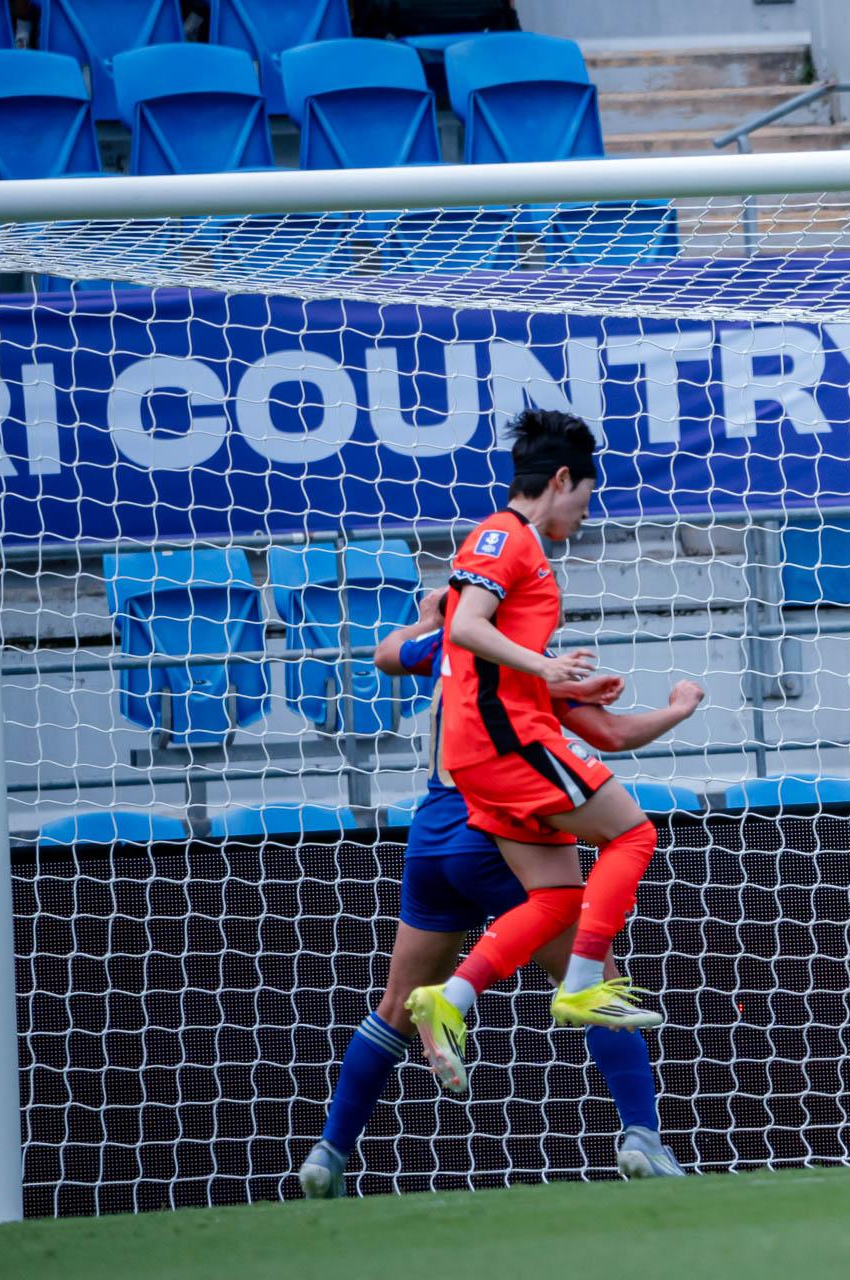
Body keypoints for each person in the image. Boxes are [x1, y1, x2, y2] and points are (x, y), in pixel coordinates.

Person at [296, 590, 706, 1197]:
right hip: (497, 830)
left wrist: (430, 617)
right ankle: (642, 1137)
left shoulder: (446, 646)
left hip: (431, 839)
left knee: (394, 1005)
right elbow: (613, 734)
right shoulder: (526, 664)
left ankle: (328, 1153)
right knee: (596, 981)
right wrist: (679, 708)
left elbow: (385, 654)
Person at [403, 409, 668, 1078]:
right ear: (561, 479)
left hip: (488, 747)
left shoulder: (520, 546)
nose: (585, 512)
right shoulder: (504, 535)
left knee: (555, 897)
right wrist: (545, 669)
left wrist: (561, 677)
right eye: (586, 496)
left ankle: (450, 997)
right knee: (633, 835)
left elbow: (490, 650)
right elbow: (466, 626)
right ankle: (582, 985)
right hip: (504, 742)